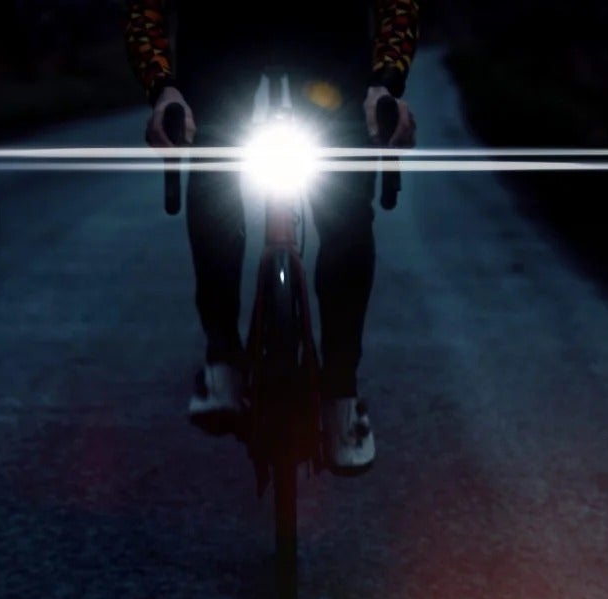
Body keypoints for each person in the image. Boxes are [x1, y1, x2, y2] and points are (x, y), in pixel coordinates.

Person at [128, 2, 420, 474]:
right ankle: (223, 356)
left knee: (344, 200)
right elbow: (147, 9)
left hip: (324, 41)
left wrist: (385, 85)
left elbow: (397, 5)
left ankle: (340, 391)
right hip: (225, 38)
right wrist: (164, 89)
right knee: (213, 163)